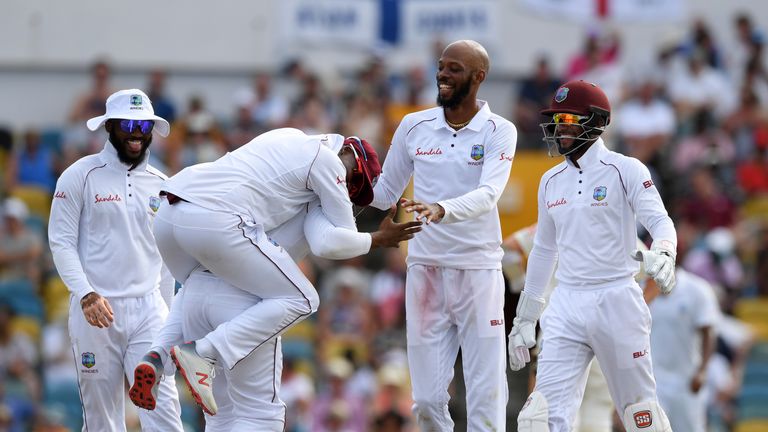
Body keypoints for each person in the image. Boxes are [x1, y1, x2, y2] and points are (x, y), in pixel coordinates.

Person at [131, 128, 420, 430]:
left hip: (172, 215)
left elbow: (326, 239)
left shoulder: (288, 140)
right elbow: (335, 242)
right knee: (302, 304)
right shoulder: (326, 163)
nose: (346, 192)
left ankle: (158, 354)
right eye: (352, 185)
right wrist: (377, 238)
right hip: (226, 253)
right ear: (350, 160)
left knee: (221, 413)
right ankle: (204, 352)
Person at [507, 80, 677, 432]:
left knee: (640, 415)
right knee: (538, 419)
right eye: (556, 119)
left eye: (568, 118)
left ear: (596, 121)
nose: (559, 128)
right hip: (565, 302)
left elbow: (660, 221)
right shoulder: (550, 180)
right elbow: (544, 249)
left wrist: (664, 251)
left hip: (616, 297)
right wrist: (526, 316)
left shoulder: (625, 169)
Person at [369, 39, 517, 431]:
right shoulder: (413, 125)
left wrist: (441, 208)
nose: (443, 75)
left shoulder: (500, 131)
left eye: (453, 68)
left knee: (487, 394)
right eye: (441, 66)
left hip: (478, 270)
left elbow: (489, 195)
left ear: (478, 76)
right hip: (425, 270)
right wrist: (336, 182)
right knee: (428, 401)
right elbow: (385, 193)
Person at [48, 89, 183, 431]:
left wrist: (168, 321)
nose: (136, 132)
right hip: (96, 311)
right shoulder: (79, 176)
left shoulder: (163, 184)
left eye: (143, 124)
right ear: (109, 126)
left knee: (164, 412)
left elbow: (167, 258)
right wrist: (85, 294)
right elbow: (61, 241)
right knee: (102, 419)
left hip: (149, 309)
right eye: (128, 123)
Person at [503, 224, 660, 432]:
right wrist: (632, 309)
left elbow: (508, 250)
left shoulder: (554, 222)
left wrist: (524, 286)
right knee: (597, 417)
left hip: (561, 332)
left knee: (546, 418)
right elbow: (655, 274)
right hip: (608, 331)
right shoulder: (616, 229)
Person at [650, 267, 719, 431]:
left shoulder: (697, 289)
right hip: (654, 381)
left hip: (686, 382)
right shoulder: (641, 288)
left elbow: (708, 331)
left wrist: (702, 371)